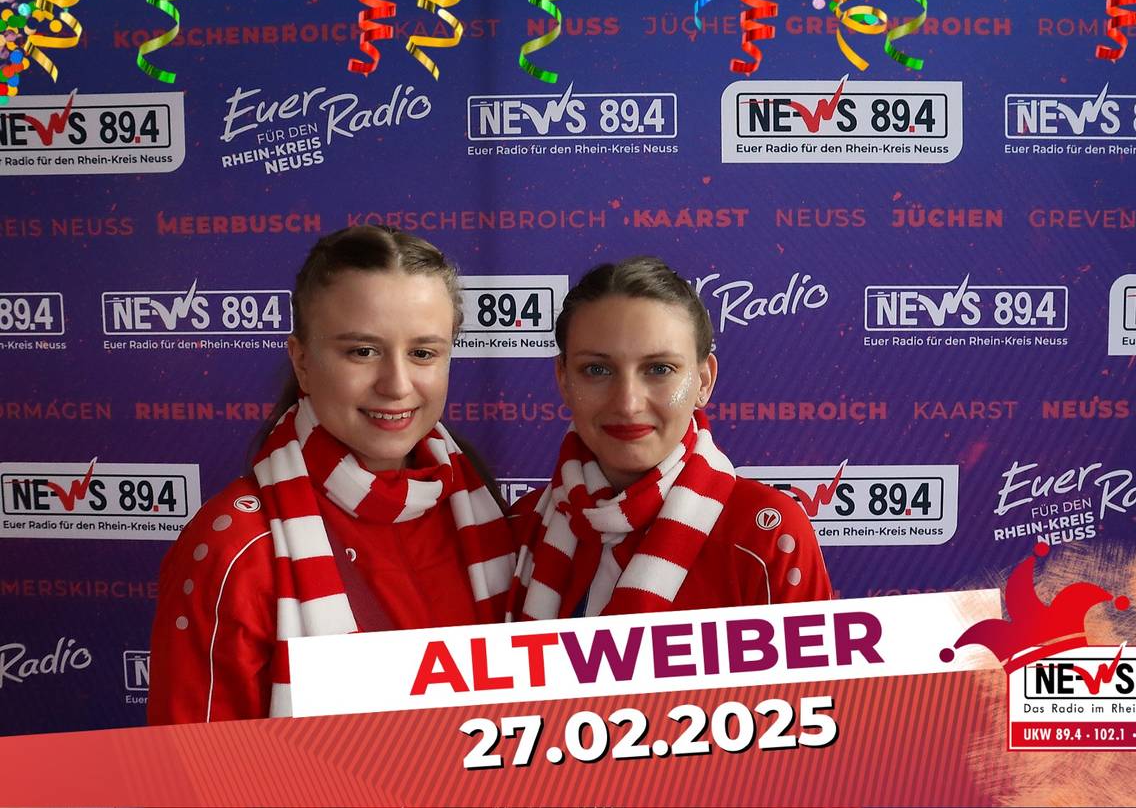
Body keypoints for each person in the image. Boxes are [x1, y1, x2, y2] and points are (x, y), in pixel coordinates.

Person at [148, 226, 514, 723]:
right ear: (302, 362)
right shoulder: (234, 546)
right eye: (362, 351)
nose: (396, 384)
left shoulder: (488, 517)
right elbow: (194, 763)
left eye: (423, 353)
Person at [509, 256, 832, 620]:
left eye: (659, 369)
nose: (628, 403)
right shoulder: (520, 526)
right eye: (597, 369)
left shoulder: (768, 535)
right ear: (564, 380)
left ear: (703, 382)